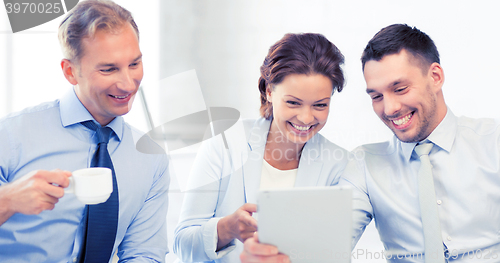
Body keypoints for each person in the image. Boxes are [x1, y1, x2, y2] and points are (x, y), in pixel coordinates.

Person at [241, 24, 500, 263]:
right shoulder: (365, 165)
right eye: (376, 96)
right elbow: (328, 243)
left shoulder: (492, 142)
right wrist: (281, 256)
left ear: (435, 77)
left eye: (400, 89)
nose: (390, 108)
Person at [0, 1, 169, 262]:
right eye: (109, 69)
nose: (127, 83)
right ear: (71, 72)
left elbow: (144, 253)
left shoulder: (151, 158)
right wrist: (7, 200)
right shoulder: (10, 136)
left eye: (134, 64)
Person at [173, 33, 349, 263]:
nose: (306, 118)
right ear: (268, 91)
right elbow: (181, 245)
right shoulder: (224, 145)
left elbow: (333, 256)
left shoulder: (338, 165)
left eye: (320, 105)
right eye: (293, 102)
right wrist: (227, 229)